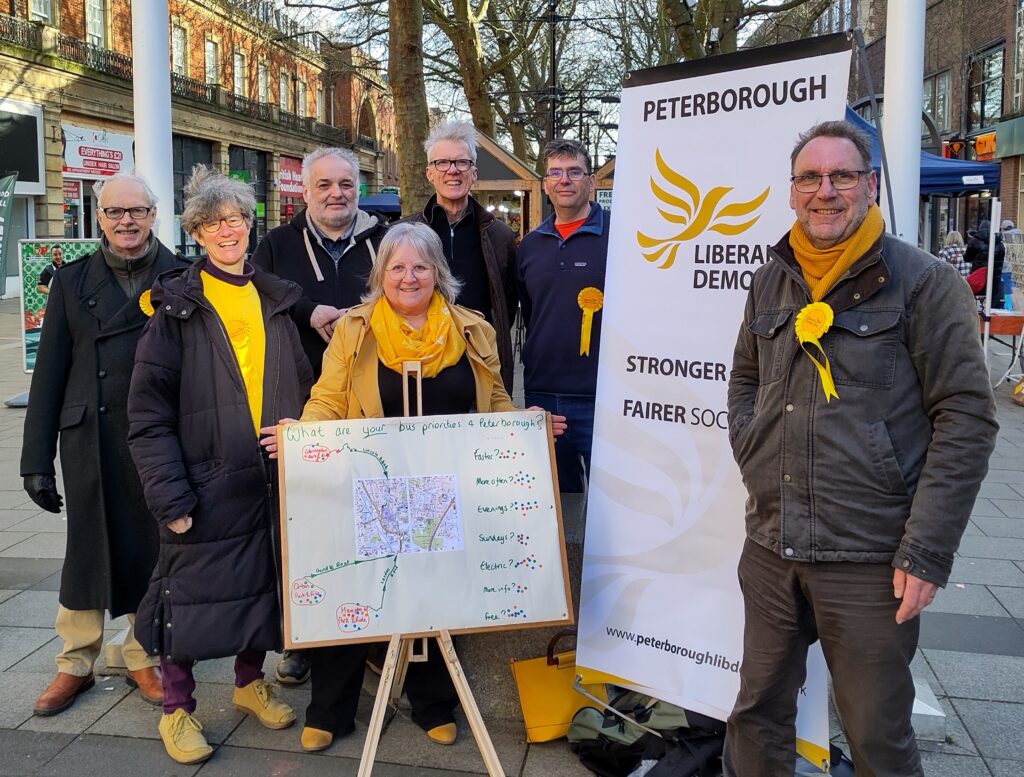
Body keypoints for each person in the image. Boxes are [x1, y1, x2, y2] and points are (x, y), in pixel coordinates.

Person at [723, 120, 998, 777]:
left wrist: (927, 549)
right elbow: (745, 378)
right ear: (792, 192)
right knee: (756, 714)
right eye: (810, 177)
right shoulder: (772, 279)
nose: (826, 190)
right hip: (771, 542)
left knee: (878, 736)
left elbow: (966, 414)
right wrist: (752, 442)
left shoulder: (925, 284)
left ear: (870, 186)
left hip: (870, 555)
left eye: (842, 175)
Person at [259, 222, 564, 752]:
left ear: (438, 273)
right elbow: (328, 398)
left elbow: (494, 405)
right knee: (360, 591)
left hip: (446, 490)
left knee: (436, 591)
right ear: (381, 275)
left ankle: (434, 704)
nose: (408, 277)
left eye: (420, 266)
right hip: (370, 486)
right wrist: (301, 437)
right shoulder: (356, 330)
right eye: (397, 267)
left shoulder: (473, 330)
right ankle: (330, 710)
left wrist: (525, 429)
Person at [127, 166, 313, 765]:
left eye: (233, 218)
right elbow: (148, 413)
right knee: (188, 600)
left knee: (262, 589)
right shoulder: (178, 307)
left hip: (270, 477)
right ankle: (176, 712)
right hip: (207, 481)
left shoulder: (276, 299)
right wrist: (170, 497)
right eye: (211, 223)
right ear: (197, 234)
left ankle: (247, 684)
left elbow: (307, 388)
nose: (225, 230)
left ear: (248, 222)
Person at [20, 173, 186, 716]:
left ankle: (142, 653)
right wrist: (35, 460)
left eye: (136, 211)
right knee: (86, 548)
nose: (126, 221)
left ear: (154, 215)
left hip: (159, 435)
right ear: (99, 218)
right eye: (114, 213)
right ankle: (75, 662)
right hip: (89, 434)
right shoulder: (71, 281)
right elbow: (49, 374)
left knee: (153, 545)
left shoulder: (182, 276)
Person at [252, 146, 387, 685]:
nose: (336, 194)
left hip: (370, 404)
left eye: (346, 184)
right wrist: (310, 311)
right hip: (300, 401)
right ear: (303, 191)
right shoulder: (277, 244)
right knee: (304, 525)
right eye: (324, 184)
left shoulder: (385, 240)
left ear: (359, 187)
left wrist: (358, 318)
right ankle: (303, 636)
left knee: (371, 520)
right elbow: (256, 294)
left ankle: (376, 628)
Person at [517, 138, 609, 493]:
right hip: (544, 395)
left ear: (592, 181)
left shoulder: (619, 237)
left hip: (602, 394)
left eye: (574, 172)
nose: (564, 180)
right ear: (545, 184)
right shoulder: (530, 245)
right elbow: (529, 310)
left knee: (614, 504)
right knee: (554, 500)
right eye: (555, 173)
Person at [400, 120, 518, 392]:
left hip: (479, 364)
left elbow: (505, 305)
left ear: (474, 173)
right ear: (430, 173)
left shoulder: (499, 236)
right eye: (442, 163)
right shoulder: (406, 233)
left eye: (462, 163)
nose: (452, 170)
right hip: (419, 364)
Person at [965, 219, 1006, 304]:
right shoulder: (1000, 244)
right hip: (995, 278)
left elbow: (967, 258)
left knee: (976, 302)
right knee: (992, 303)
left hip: (978, 277)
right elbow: (1001, 261)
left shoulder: (974, 241)